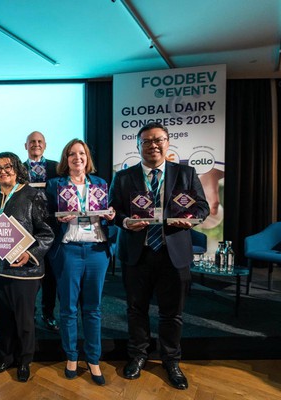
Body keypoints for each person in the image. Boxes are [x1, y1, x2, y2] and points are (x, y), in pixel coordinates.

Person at [109, 122, 209, 390]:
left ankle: (171, 360)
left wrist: (193, 217)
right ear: (138, 145)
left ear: (167, 142)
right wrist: (124, 222)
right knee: (135, 309)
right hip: (137, 252)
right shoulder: (124, 176)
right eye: (146, 141)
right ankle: (138, 355)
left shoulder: (186, 173)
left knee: (172, 313)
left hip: (173, 252)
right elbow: (113, 210)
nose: (153, 145)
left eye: (158, 140)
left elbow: (202, 206)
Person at [0, 152, 54, 383]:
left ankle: (25, 361)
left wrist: (30, 254)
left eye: (8, 166)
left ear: (18, 169)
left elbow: (47, 233)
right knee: (3, 317)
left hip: (23, 270)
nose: (3, 171)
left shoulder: (33, 195)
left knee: (24, 320)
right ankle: (6, 357)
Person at [46, 139, 115, 386]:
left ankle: (93, 359)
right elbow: (45, 218)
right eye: (72, 154)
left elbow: (110, 214)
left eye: (82, 153)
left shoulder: (100, 183)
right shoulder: (55, 185)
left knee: (93, 308)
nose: (78, 158)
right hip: (69, 250)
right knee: (68, 308)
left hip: (97, 250)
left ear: (88, 157)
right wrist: (58, 219)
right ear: (66, 159)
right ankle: (72, 356)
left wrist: (111, 215)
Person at [23, 131, 60, 331]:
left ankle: (48, 313)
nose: (36, 144)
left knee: (51, 275)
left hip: (52, 227)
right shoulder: (18, 169)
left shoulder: (57, 167)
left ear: (45, 145)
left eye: (39, 142)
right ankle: (30, 313)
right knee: (28, 272)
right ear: (26, 146)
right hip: (27, 228)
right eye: (32, 142)